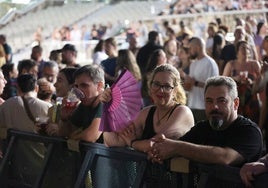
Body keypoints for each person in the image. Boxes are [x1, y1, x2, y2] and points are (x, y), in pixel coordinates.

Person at [150, 76, 263, 168]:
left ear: (236, 103)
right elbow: (172, 149)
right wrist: (159, 150)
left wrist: (176, 147)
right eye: (209, 101)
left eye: (221, 100)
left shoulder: (250, 132)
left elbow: (224, 158)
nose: (214, 106)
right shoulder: (202, 128)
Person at [103, 64, 194, 152]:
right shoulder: (146, 113)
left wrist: (133, 143)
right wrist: (109, 107)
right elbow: (114, 141)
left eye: (167, 86)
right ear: (150, 86)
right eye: (156, 84)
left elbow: (157, 144)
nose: (161, 90)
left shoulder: (183, 112)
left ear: (175, 91)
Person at [0, 74, 52, 185]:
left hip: (15, 165)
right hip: (41, 164)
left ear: (17, 88)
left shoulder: (6, 106)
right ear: (36, 88)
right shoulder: (47, 107)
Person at [46, 65, 104, 143]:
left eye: (84, 85)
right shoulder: (86, 102)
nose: (79, 91)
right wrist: (64, 119)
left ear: (99, 86)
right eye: (76, 86)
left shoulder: (107, 101)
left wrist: (71, 137)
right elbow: (64, 133)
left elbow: (90, 136)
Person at [223, 40, 261, 124]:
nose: (245, 50)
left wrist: (251, 82)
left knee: (252, 122)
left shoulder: (254, 64)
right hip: (235, 99)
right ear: (237, 51)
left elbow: (261, 82)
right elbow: (223, 80)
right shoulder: (231, 64)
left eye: (247, 48)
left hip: (251, 99)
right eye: (243, 48)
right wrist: (234, 78)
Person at [184, 37, 219, 123]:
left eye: (191, 48)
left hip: (204, 107)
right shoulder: (193, 64)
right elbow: (190, 85)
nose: (190, 50)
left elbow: (215, 86)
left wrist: (195, 83)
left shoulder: (210, 63)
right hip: (191, 106)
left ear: (198, 47)